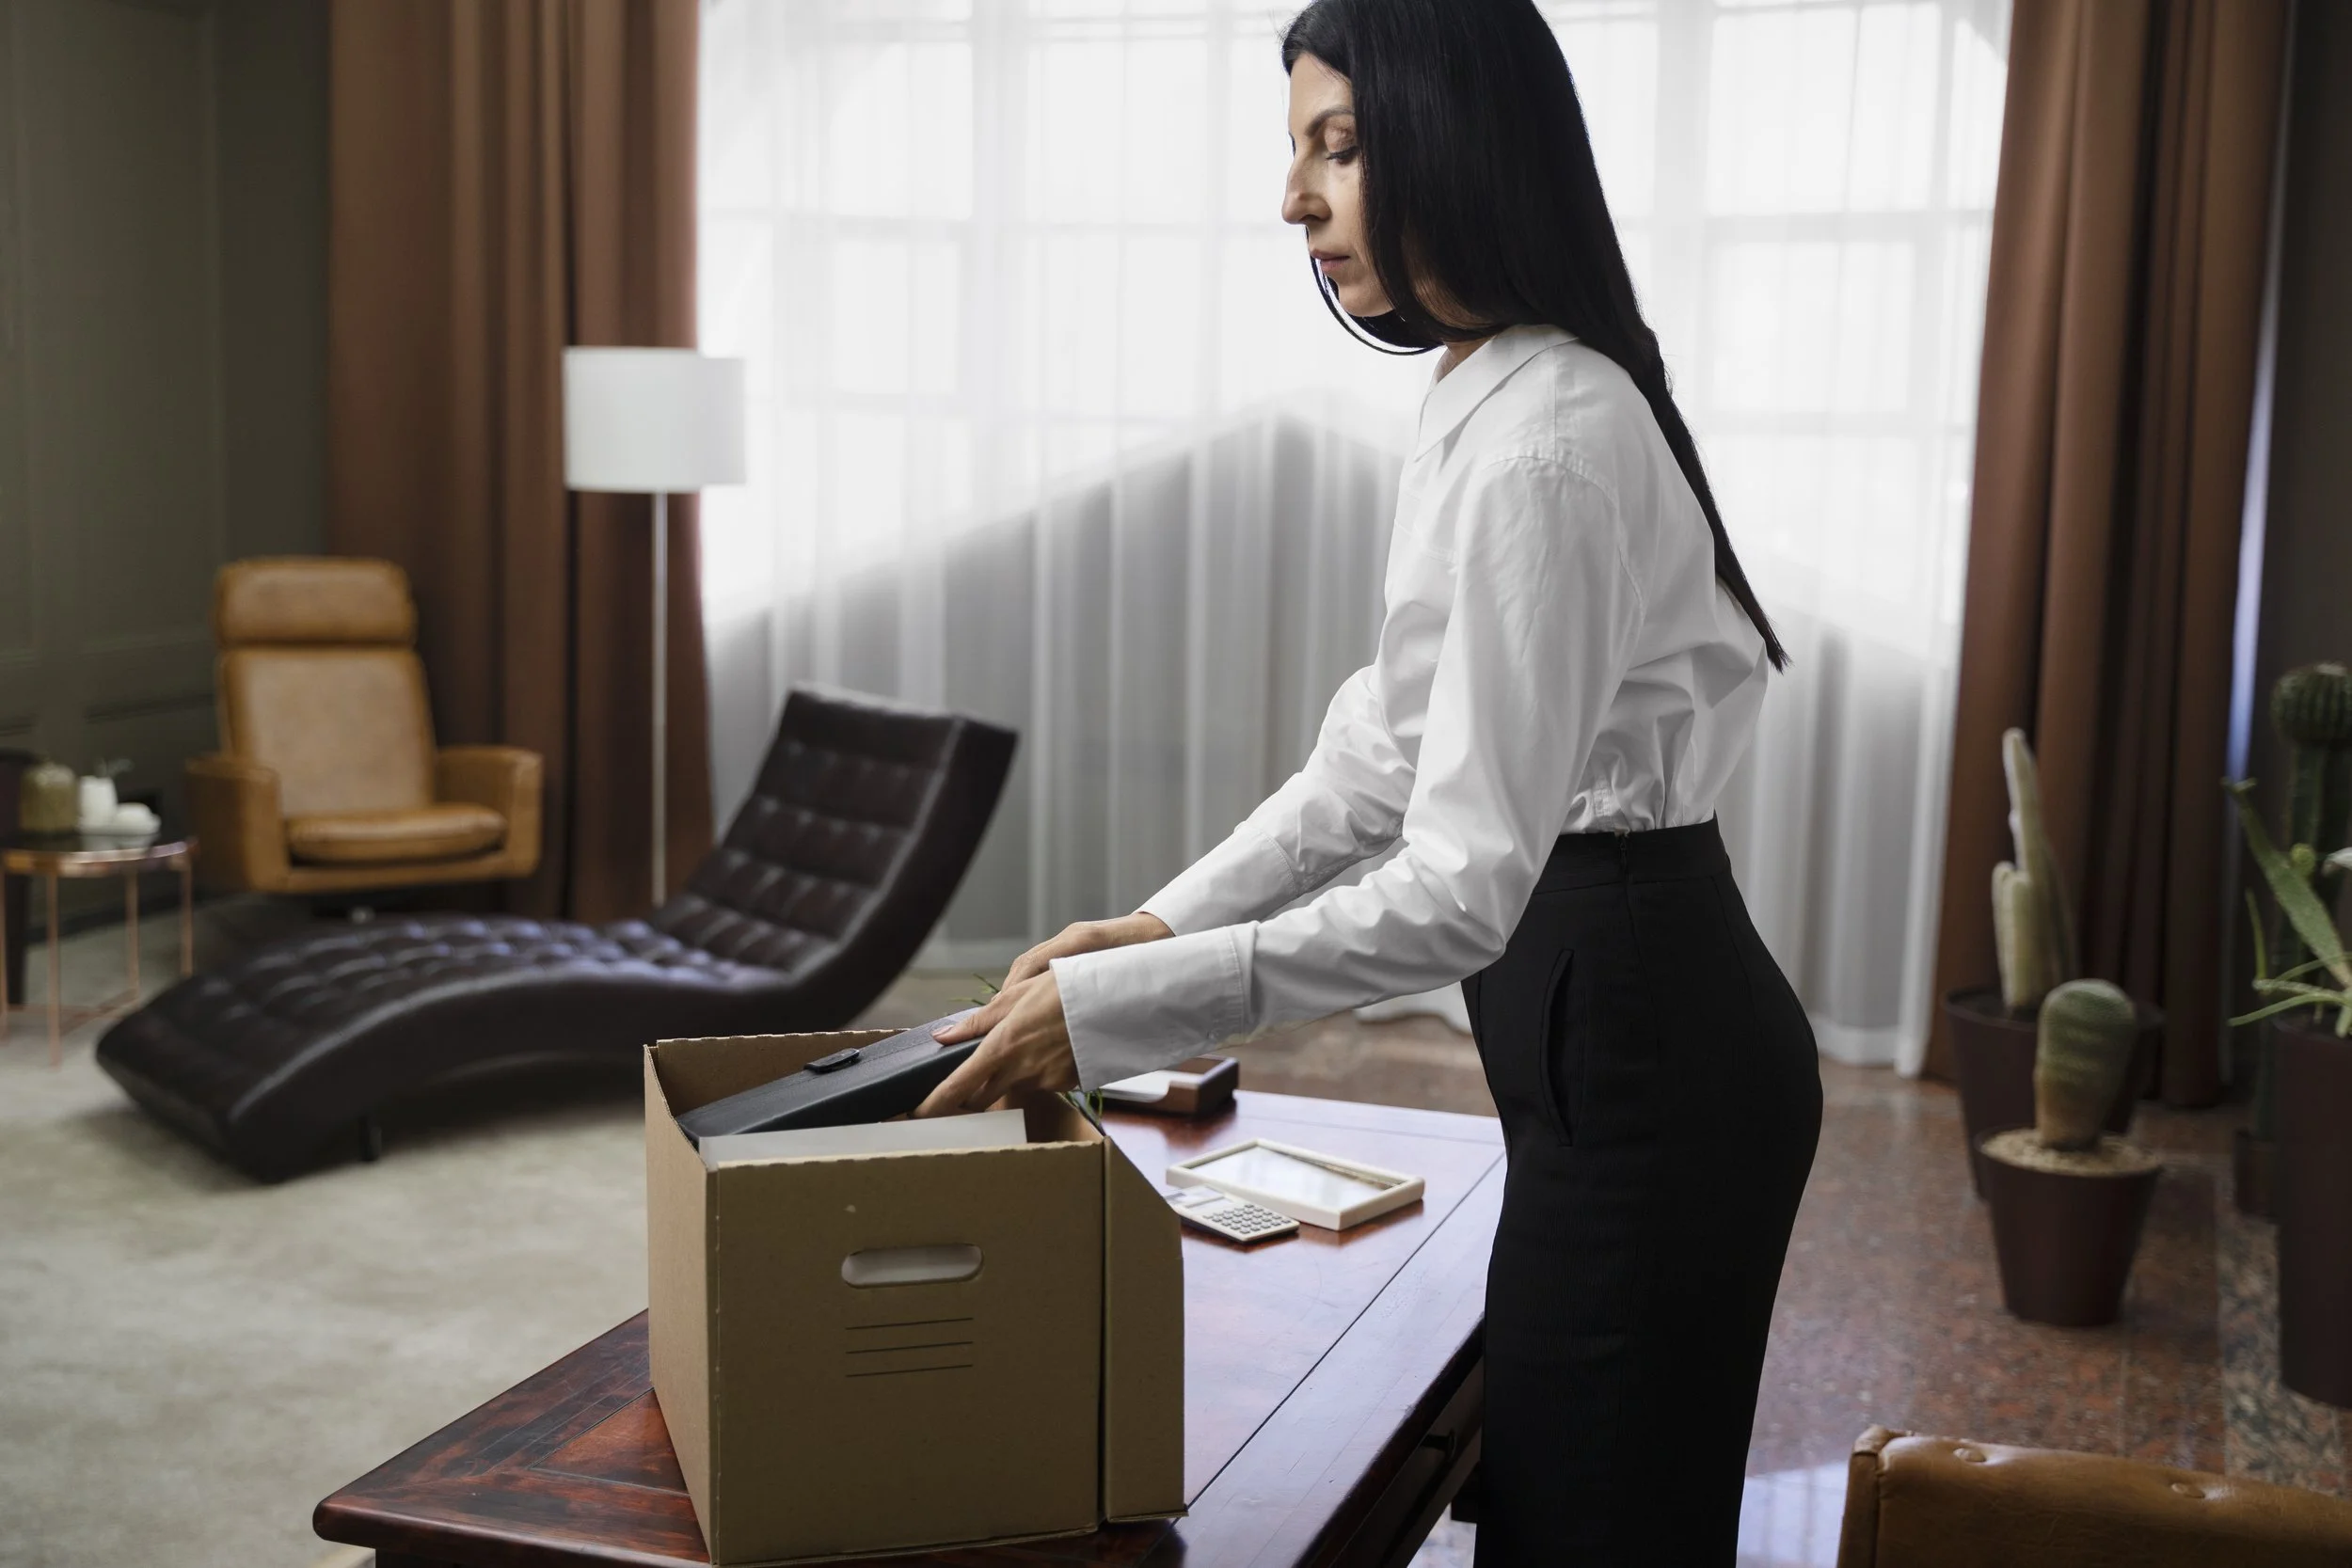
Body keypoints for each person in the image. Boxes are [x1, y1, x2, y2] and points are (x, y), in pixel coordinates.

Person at [916, 1, 1823, 1559]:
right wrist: (1150, 928)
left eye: (1337, 147)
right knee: (1560, 1496)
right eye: (1299, 154)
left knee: (1587, 1527)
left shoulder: (1551, 437)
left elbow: (1463, 880)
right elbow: (1381, 751)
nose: (1295, 200)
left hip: (1648, 1049)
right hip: (1600, 1016)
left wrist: (1141, 1010)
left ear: (1458, 137)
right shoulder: (1490, 388)